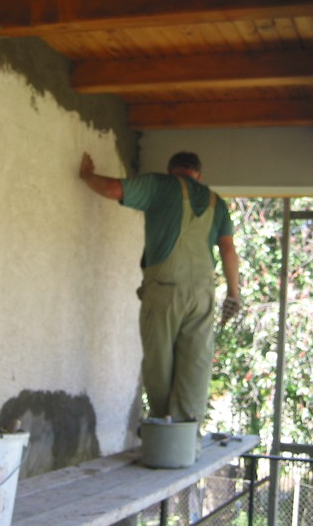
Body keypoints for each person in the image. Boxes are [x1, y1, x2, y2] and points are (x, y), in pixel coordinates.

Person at [79, 151, 241, 426]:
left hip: (166, 289)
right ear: (199, 175)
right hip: (203, 294)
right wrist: (234, 294)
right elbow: (228, 250)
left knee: (159, 363)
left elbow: (113, 189)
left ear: (170, 170)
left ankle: (164, 429)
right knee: (196, 365)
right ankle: (187, 434)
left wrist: (86, 175)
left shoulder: (161, 185)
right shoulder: (217, 202)